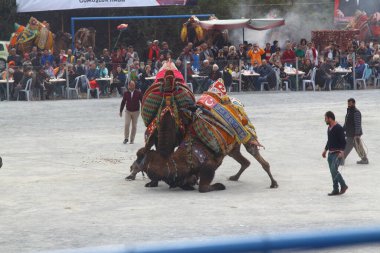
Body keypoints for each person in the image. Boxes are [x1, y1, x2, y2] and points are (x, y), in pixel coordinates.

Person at [322, 111, 348, 196]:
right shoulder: (329, 128)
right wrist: (325, 150)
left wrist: (341, 152)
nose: (325, 120)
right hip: (330, 153)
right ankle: (335, 189)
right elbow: (329, 141)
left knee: (334, 170)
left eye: (326, 118)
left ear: (330, 118)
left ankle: (343, 185)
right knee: (332, 172)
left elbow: (343, 142)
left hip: (337, 153)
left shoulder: (338, 128)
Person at [343, 98, 369, 164]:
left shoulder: (356, 112)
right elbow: (346, 122)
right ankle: (364, 159)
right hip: (350, 133)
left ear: (354, 103)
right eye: (348, 103)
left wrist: (357, 134)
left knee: (346, 147)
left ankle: (341, 160)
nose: (349, 104)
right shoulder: (349, 111)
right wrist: (342, 129)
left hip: (354, 134)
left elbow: (358, 124)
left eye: (350, 103)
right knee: (358, 147)